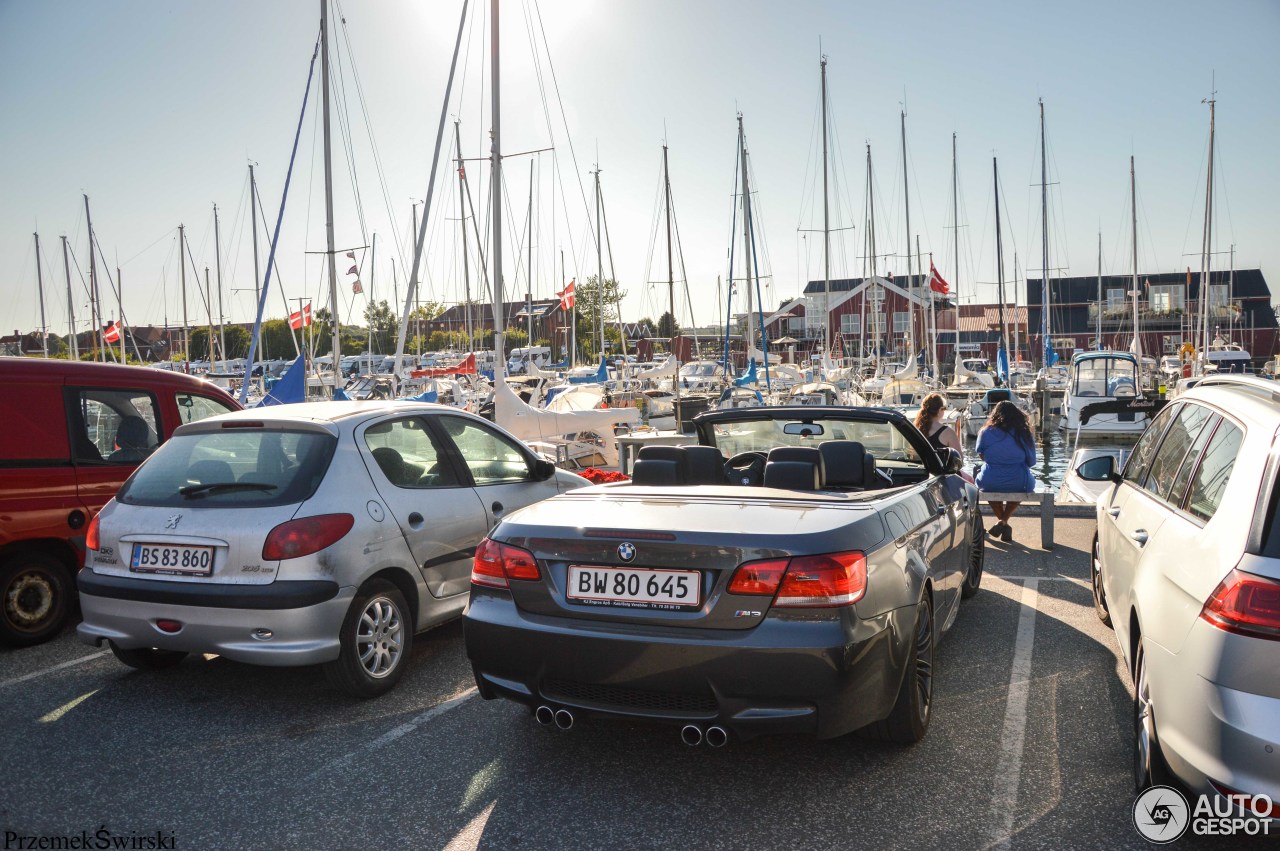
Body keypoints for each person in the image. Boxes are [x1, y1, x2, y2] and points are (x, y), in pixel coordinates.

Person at [975, 400, 1037, 543]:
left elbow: (982, 454)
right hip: (1019, 481)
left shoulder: (985, 432)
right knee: (1019, 486)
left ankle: (1003, 522)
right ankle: (1003, 522)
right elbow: (1031, 462)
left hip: (990, 480)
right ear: (1017, 415)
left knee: (987, 484)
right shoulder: (1024, 433)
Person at [913, 392, 962, 462]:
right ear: (939, 410)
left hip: (920, 471)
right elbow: (959, 460)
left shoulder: (915, 430)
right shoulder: (948, 433)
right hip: (940, 472)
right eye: (943, 409)